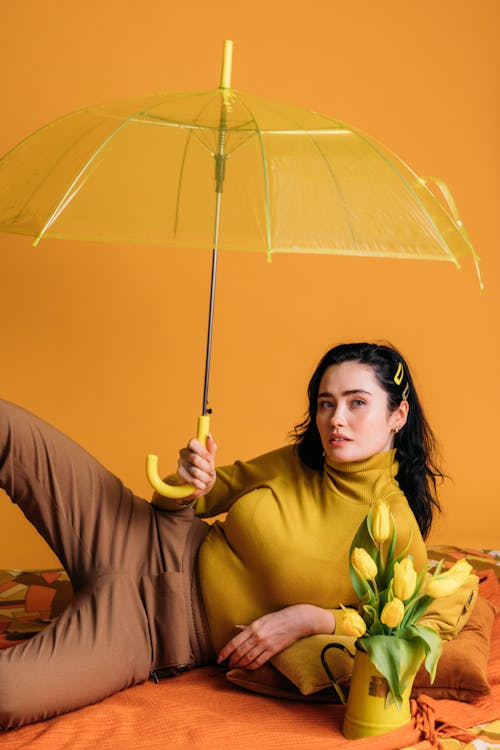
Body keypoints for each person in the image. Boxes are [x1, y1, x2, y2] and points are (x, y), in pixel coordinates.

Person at [0, 342, 456, 729]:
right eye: (325, 402)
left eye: (357, 402)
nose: (336, 418)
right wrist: (189, 481)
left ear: (397, 414)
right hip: (141, 535)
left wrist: (312, 619)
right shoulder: (297, 460)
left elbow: (403, 633)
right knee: (6, 427)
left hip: (153, 630)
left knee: (7, 695)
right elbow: (202, 497)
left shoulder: (392, 524)